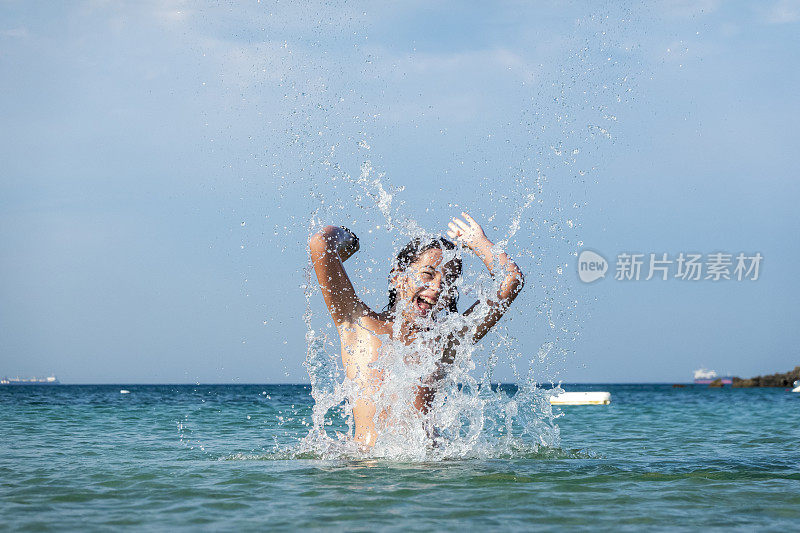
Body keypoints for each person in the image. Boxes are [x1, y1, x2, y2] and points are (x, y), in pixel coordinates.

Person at [308, 212, 524, 447]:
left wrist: (479, 243)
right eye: (428, 274)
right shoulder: (358, 324)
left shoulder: (448, 341)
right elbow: (321, 242)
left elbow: (511, 280)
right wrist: (350, 241)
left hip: (429, 472)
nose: (438, 287)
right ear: (397, 277)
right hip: (365, 472)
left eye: (449, 281)